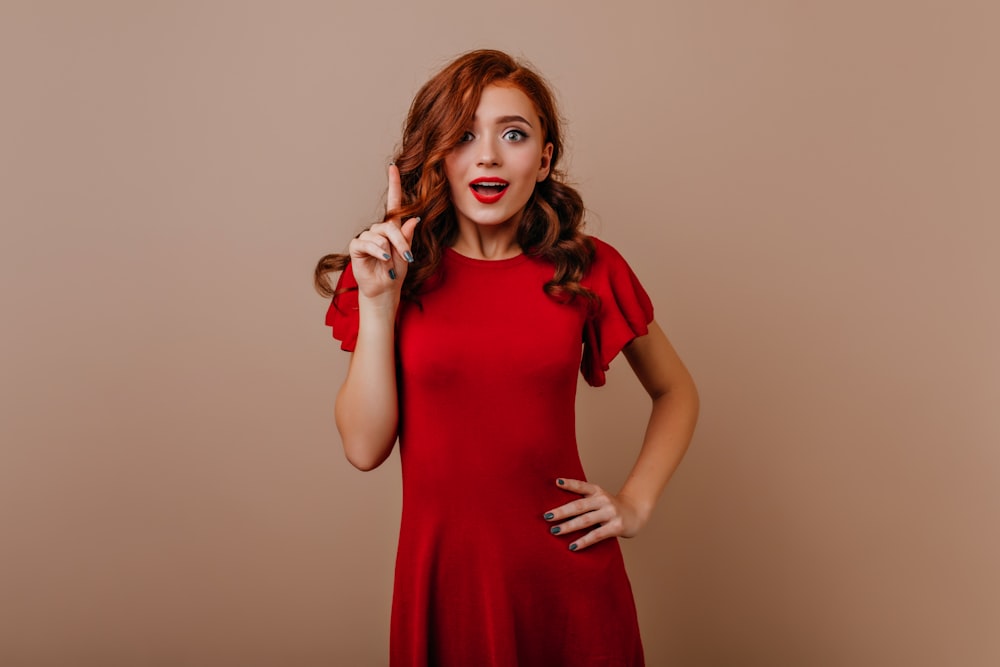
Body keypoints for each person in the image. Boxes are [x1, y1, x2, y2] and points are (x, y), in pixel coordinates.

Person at [315, 49, 699, 667]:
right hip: (446, 582)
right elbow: (364, 448)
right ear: (437, 153)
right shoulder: (385, 272)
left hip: (568, 580)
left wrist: (634, 503)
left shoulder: (591, 267)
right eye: (463, 136)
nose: (488, 154)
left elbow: (676, 392)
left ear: (544, 158)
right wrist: (381, 302)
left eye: (513, 134)